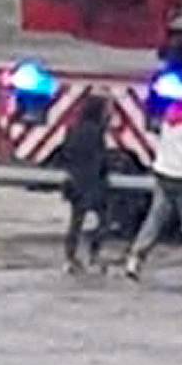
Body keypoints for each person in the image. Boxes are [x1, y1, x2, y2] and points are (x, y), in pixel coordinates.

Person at [123, 83, 182, 281]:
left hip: (165, 172)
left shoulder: (169, 116)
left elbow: (154, 118)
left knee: (156, 217)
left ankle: (136, 256)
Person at [58, 95, 116, 273]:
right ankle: (93, 255)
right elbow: (101, 159)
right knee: (104, 221)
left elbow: (65, 153)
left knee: (75, 222)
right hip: (92, 184)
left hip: (75, 183)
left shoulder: (73, 129)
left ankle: (70, 258)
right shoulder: (97, 132)